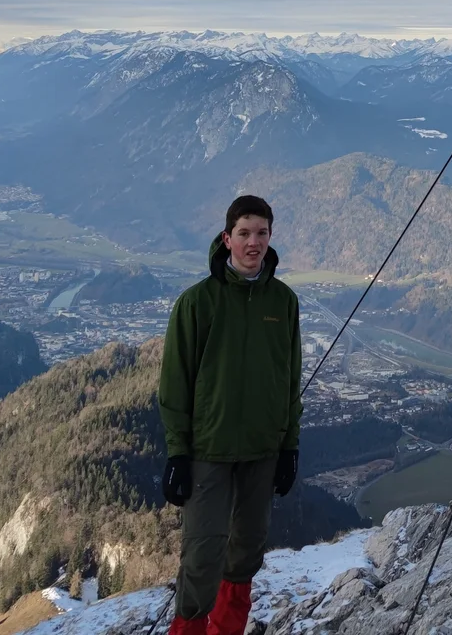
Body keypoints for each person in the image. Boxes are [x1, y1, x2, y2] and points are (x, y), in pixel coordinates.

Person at [158, 194, 303, 635]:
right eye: (244, 233)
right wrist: (178, 453)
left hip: (262, 450)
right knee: (202, 557)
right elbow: (175, 383)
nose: (253, 242)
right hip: (209, 451)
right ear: (226, 239)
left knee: (245, 555)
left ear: (270, 237)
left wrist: (288, 446)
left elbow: (290, 379)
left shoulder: (283, 302)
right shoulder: (197, 303)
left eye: (261, 233)